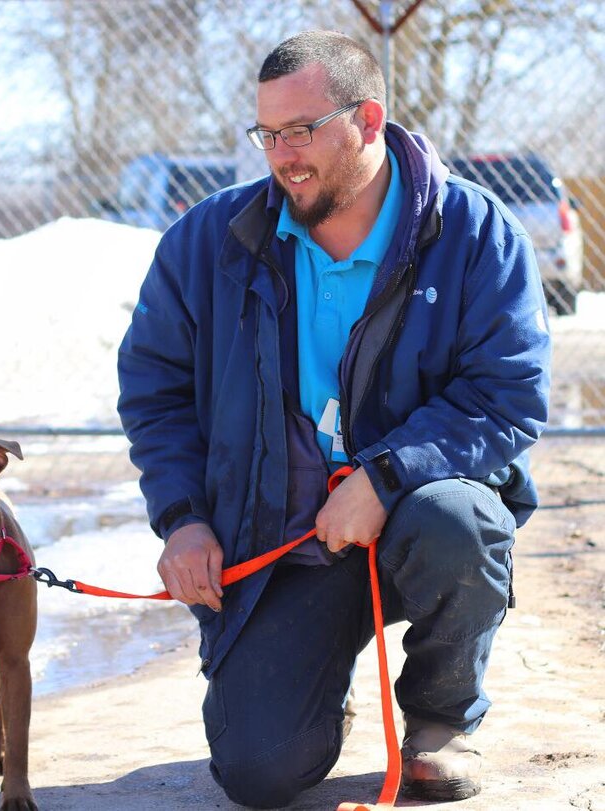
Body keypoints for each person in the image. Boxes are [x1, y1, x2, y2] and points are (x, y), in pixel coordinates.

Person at [117, 29, 551, 809]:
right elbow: (155, 388)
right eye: (268, 134)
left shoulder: (477, 236)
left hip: (420, 516)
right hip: (285, 539)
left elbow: (508, 394)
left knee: (460, 520)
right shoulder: (207, 243)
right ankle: (318, 689)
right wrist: (181, 517)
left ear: (369, 119)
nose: (282, 155)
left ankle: (438, 722)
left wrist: (387, 476)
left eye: (303, 130)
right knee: (258, 771)